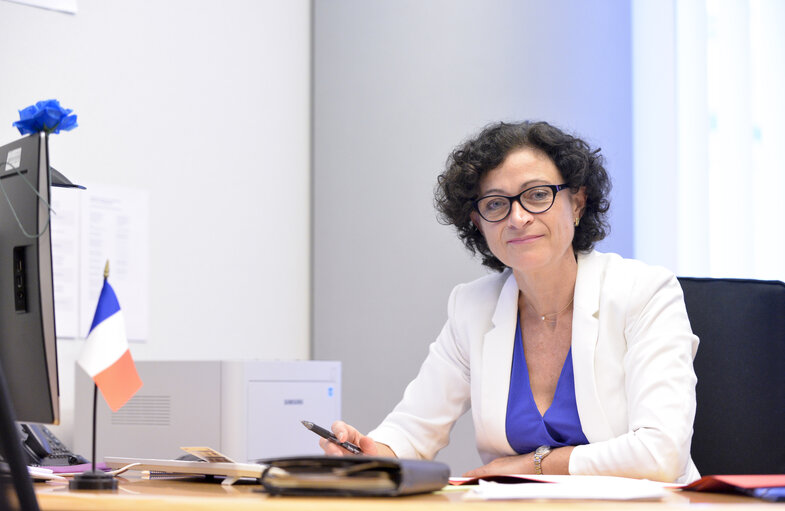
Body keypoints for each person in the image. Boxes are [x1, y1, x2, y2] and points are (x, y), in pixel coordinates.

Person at [320, 121, 700, 484]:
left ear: (578, 203)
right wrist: (367, 453)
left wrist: (532, 465)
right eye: (496, 204)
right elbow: (412, 431)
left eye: (537, 195)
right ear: (478, 223)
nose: (517, 218)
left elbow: (660, 454)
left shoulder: (645, 292)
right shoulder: (472, 308)